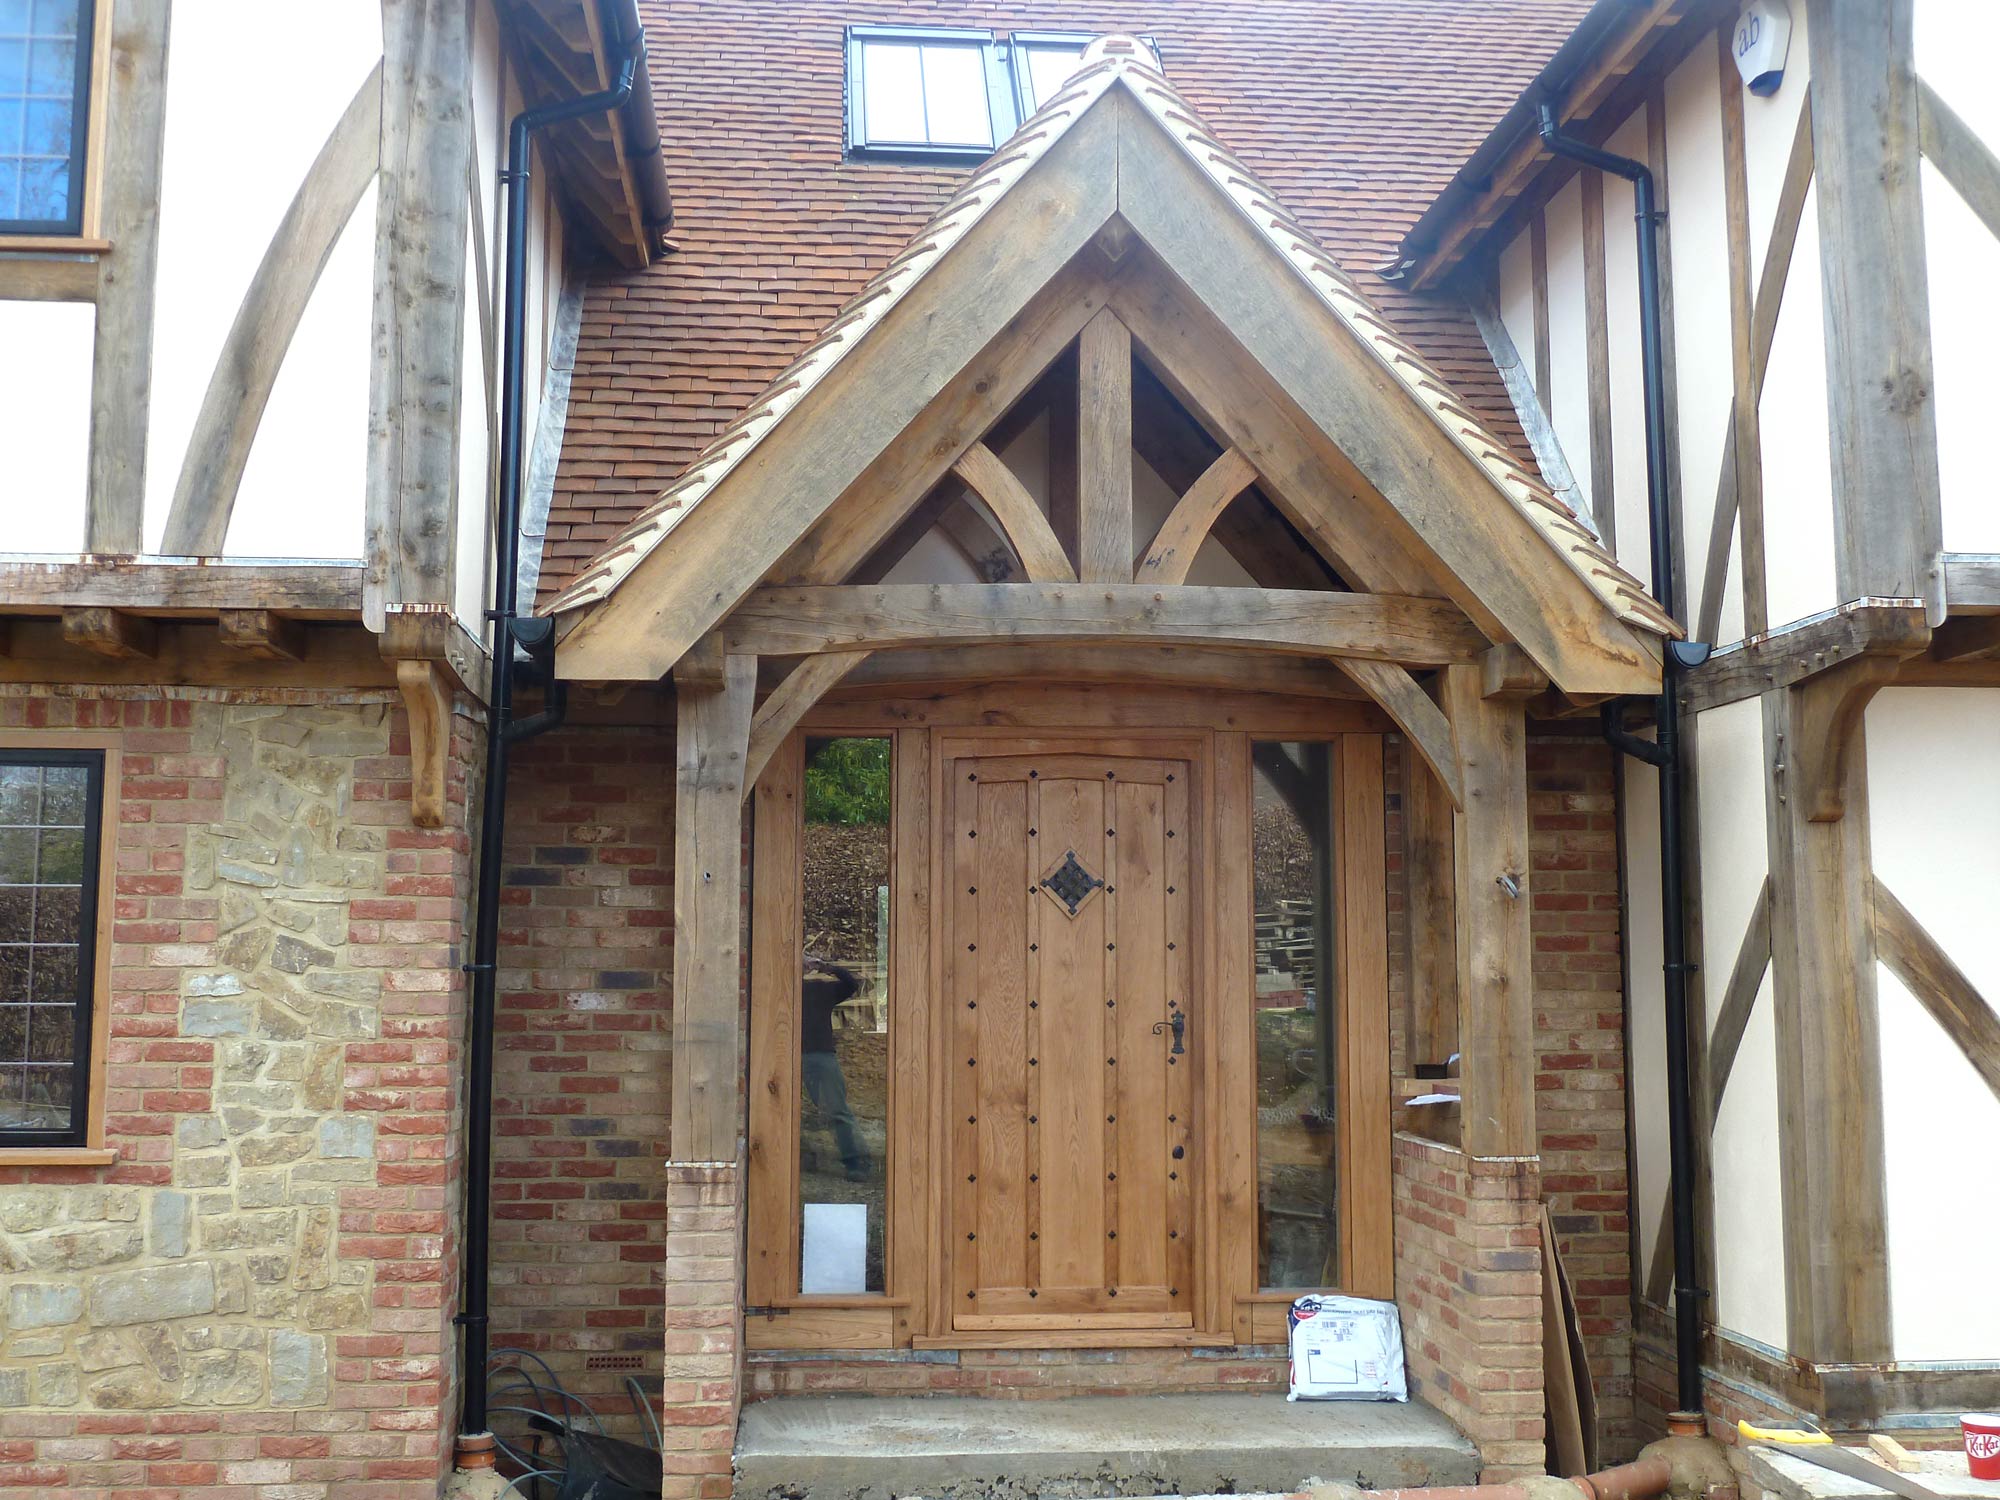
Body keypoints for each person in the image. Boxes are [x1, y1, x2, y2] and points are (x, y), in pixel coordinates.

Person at [802, 955, 871, 1180]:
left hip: (819, 1056)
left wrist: (826, 967)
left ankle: (856, 1162)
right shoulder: (778, 989)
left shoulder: (818, 989)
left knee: (837, 1110)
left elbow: (851, 985)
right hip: (783, 1057)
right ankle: (804, 1159)